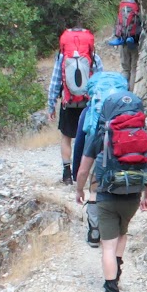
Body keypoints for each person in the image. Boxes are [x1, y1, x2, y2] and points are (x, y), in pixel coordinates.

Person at [73, 71, 147, 292]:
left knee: (107, 245)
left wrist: (79, 190)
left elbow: (84, 170)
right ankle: (116, 275)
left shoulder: (101, 133)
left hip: (107, 195)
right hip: (132, 196)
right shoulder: (140, 133)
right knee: (121, 236)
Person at [45, 29, 102, 184]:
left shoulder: (62, 58)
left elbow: (55, 83)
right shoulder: (93, 57)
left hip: (68, 103)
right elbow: (100, 81)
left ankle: (67, 173)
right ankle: (86, 173)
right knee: (89, 137)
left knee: (66, 137)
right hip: (87, 104)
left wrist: (51, 106)